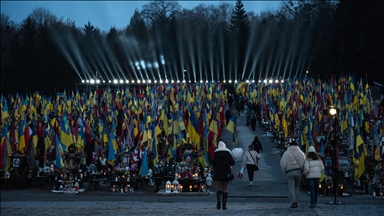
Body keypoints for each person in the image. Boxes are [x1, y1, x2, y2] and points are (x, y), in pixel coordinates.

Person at [280, 140, 306, 208]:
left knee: (291, 187)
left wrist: (285, 170)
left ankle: (293, 201)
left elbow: (283, 163)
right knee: (297, 187)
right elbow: (304, 162)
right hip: (298, 171)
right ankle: (296, 200)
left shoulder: (286, 153)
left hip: (290, 171)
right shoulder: (301, 153)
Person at [213, 141, 235, 210]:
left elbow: (213, 163)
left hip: (218, 173)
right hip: (226, 173)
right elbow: (232, 162)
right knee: (225, 189)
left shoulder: (216, 154)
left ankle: (218, 202)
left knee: (219, 188)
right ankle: (224, 204)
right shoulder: (228, 153)